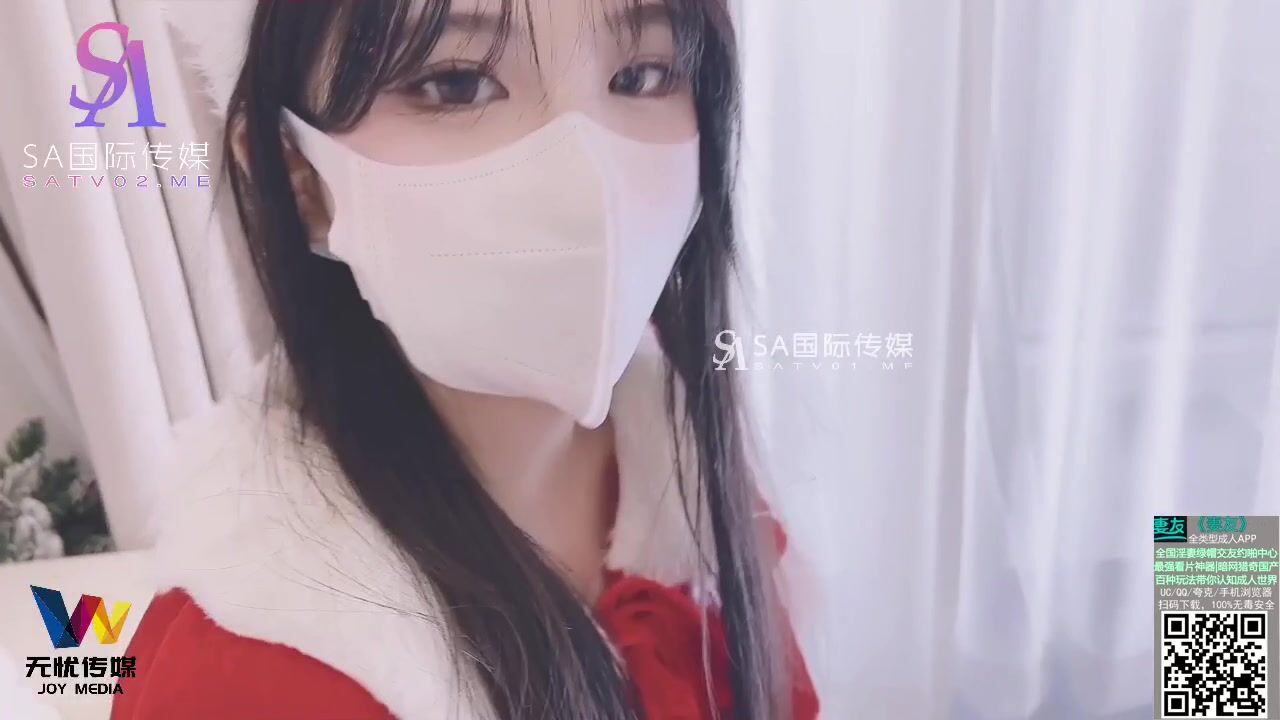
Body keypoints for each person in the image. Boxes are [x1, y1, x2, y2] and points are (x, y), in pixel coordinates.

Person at [112, 1, 819, 718]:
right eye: (456, 84)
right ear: (299, 177)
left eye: (641, 75)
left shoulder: (692, 483)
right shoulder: (245, 680)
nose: (586, 181)